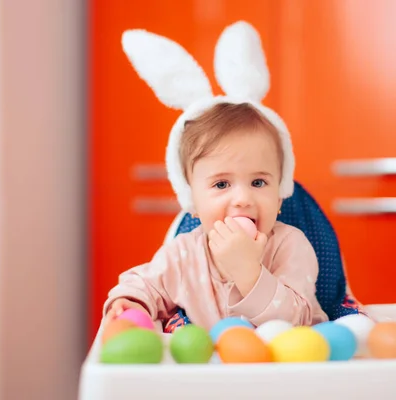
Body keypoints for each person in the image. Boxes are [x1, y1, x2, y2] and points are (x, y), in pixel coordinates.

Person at [103, 21, 328, 332]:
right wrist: (128, 304)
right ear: (192, 201)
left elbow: (296, 321)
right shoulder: (183, 255)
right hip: (209, 379)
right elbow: (144, 285)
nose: (243, 198)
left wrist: (248, 272)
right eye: (222, 184)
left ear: (279, 196)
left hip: (284, 377)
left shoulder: (290, 246)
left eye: (258, 182)